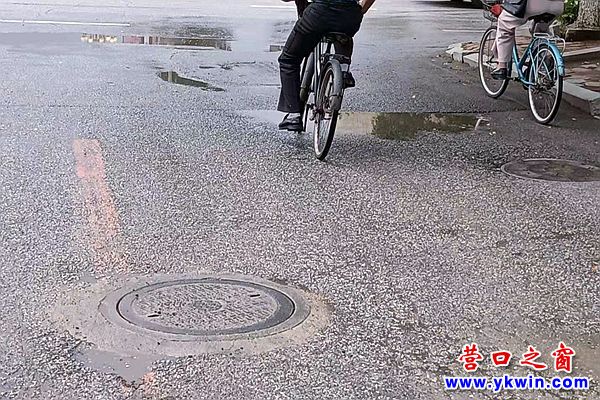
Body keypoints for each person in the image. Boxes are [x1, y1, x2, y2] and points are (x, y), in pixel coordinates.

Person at [277, 0, 376, 131]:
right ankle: (344, 70)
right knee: (343, 35)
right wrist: (361, 10)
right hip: (350, 15)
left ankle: (293, 115)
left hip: (319, 15)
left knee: (289, 60)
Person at [492, 0, 564, 80]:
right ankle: (540, 64)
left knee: (504, 24)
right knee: (540, 31)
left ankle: (501, 66)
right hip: (557, 6)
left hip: (533, 4)